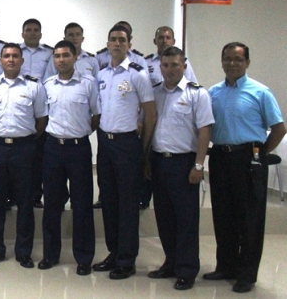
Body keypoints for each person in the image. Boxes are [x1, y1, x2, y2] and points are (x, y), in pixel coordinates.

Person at [205, 42, 286, 293]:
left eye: (238, 60)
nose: (232, 64)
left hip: (248, 160)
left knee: (249, 219)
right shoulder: (213, 92)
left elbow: (279, 128)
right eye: (227, 59)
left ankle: (246, 274)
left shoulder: (260, 92)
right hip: (219, 157)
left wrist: (261, 153)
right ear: (221, 61)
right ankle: (226, 266)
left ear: (247, 63)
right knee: (223, 215)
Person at [92, 25, 156, 280]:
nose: (117, 43)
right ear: (107, 44)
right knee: (108, 200)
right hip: (105, 144)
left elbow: (150, 114)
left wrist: (144, 150)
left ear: (129, 44)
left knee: (127, 204)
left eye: (122, 40)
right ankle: (113, 252)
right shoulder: (102, 74)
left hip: (128, 144)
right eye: (113, 40)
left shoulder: (138, 75)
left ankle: (127, 259)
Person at [148, 46, 214, 291]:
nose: (169, 70)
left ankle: (187, 269)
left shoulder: (197, 94)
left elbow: (205, 130)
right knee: (164, 217)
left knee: (186, 219)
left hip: (184, 163)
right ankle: (171, 262)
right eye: (165, 65)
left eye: (175, 65)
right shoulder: (155, 93)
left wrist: (199, 164)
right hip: (159, 161)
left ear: (184, 66)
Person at [0, 43, 48, 269]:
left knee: (25, 202)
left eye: (15, 56)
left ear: (21, 60)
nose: (10, 59)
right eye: (7, 56)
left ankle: (23, 252)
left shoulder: (34, 87)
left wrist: (25, 140)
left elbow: (41, 121)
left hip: (24, 149)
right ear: (0, 60)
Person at [39, 40, 99, 276]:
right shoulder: (47, 85)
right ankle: (50, 255)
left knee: (82, 204)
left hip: (78, 148)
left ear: (75, 58)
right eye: (57, 56)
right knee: (52, 203)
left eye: (66, 55)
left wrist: (80, 132)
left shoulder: (88, 84)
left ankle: (84, 257)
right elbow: (43, 117)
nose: (61, 60)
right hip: (53, 147)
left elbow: (96, 115)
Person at [20, 18, 53, 209]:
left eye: (35, 30)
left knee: (38, 155)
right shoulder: (15, 51)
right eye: (28, 30)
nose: (32, 33)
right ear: (22, 33)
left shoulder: (49, 53)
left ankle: (35, 195)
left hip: (42, 107)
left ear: (40, 34)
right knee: (16, 154)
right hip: (20, 106)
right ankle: (13, 195)